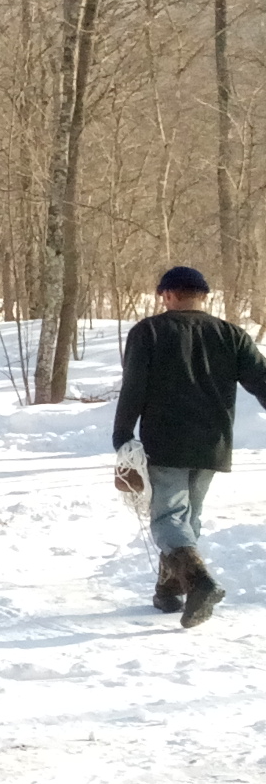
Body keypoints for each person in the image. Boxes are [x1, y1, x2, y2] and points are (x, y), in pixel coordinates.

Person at [113, 264, 266, 626]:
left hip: (166, 441)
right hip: (213, 443)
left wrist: (122, 434)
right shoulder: (231, 334)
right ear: (203, 296)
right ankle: (169, 590)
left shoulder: (148, 331)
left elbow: (134, 385)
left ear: (167, 294)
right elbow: (262, 380)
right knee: (188, 519)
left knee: (168, 518)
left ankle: (200, 582)